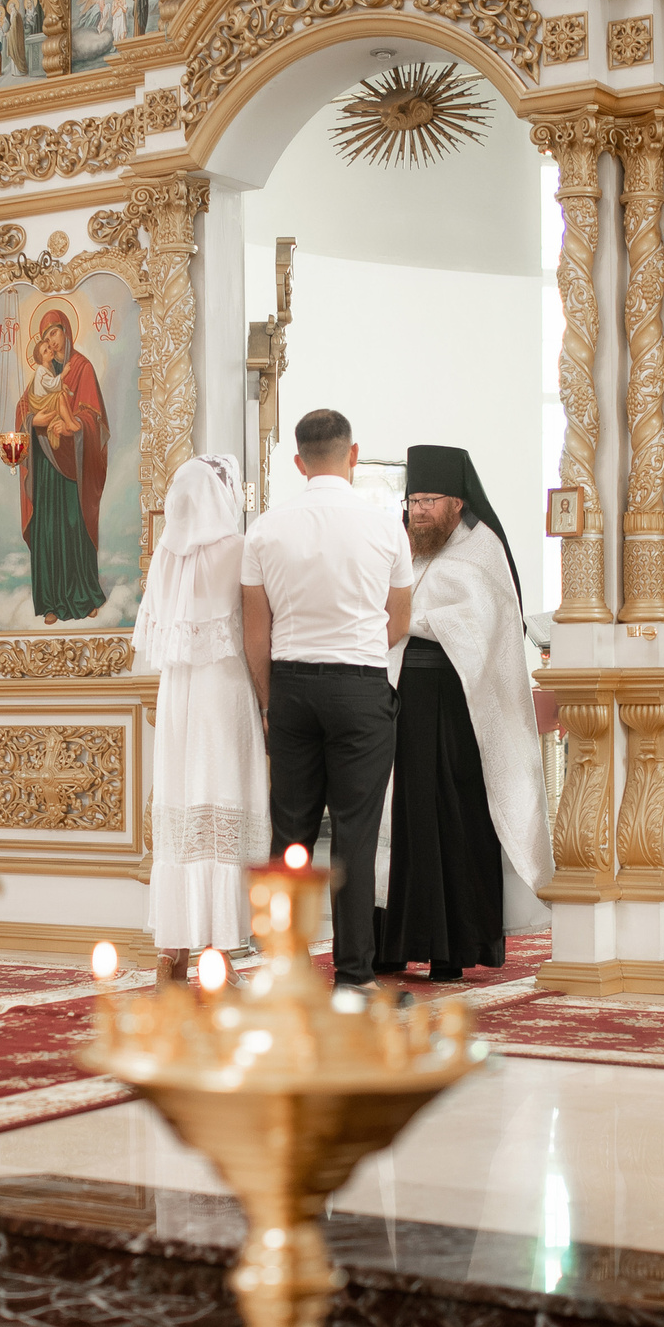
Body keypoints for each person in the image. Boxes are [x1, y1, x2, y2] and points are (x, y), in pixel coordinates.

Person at [241, 407, 413, 988]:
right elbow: (399, 621)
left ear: (298, 462)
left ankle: (280, 969)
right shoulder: (387, 526)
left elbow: (255, 633)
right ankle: (354, 976)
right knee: (356, 837)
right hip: (361, 686)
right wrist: (355, 648)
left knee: (289, 831)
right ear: (353, 454)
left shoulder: (265, 528)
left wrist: (270, 702)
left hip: (290, 685)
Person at [376, 446, 549, 980]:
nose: (419, 510)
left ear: (457, 503)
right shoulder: (404, 550)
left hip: (457, 709)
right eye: (413, 500)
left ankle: (451, 946)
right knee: (399, 819)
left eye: (429, 500)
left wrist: (416, 619)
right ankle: (392, 944)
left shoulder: (483, 550)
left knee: (449, 818)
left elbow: (485, 630)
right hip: (401, 700)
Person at [138, 454, 268, 978]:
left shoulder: (163, 554)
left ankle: (173, 952)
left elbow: (156, 634)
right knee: (223, 799)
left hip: (178, 694)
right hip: (225, 691)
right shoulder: (240, 549)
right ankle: (219, 953)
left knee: (183, 803)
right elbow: (258, 630)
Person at [16, 310, 109, 624]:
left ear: (66, 332)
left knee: (73, 526)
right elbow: (24, 409)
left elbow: (95, 418)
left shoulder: (81, 368)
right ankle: (52, 602)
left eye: (54, 334)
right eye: (45, 339)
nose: (51, 343)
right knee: (48, 529)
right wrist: (34, 421)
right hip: (45, 466)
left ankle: (84, 597)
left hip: (75, 469)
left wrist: (74, 425)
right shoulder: (42, 375)